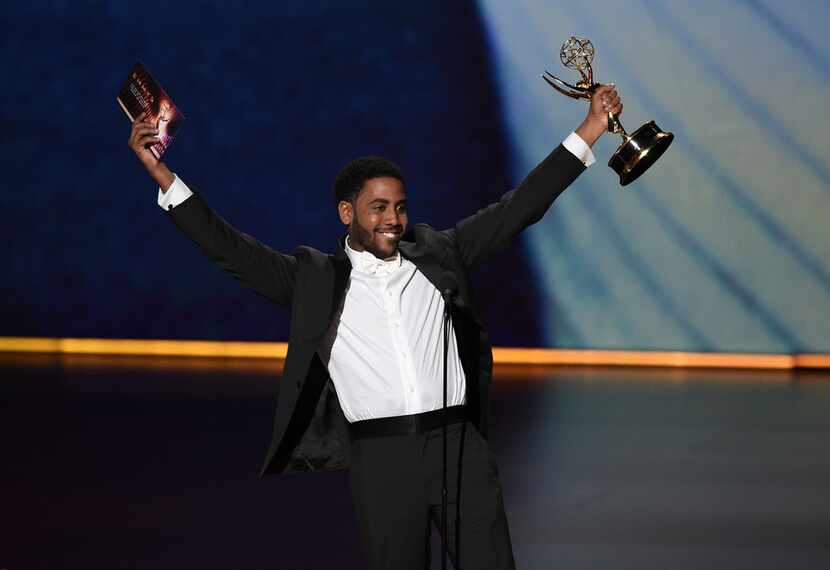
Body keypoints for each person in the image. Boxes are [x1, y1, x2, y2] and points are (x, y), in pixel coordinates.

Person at [128, 84, 622, 570]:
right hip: (382, 459)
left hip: (457, 448)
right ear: (347, 213)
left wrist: (591, 129)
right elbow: (226, 247)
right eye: (379, 208)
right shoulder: (314, 280)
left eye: (400, 207)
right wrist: (162, 174)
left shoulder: (438, 254)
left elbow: (520, 207)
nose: (394, 219)